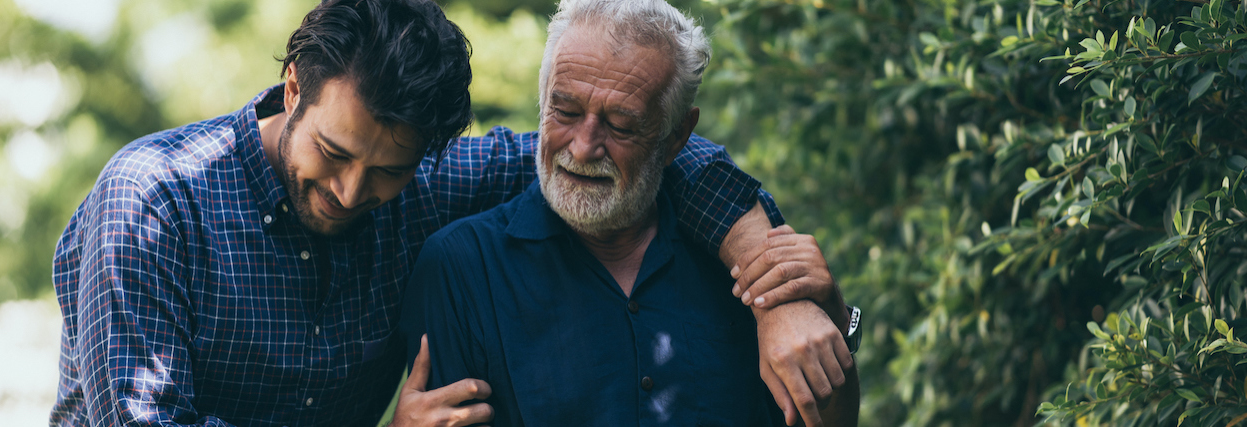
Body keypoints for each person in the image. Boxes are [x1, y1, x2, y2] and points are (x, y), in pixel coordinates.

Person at [49, 0, 850, 426]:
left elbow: (635, 155)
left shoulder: (428, 185)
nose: (351, 192)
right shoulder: (154, 201)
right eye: (332, 151)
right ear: (293, 87)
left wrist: (774, 283)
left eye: (386, 171)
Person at [400, 0, 860, 425]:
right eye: (565, 111)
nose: (583, 148)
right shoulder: (461, 268)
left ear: (677, 137)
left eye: (621, 125)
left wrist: (831, 322)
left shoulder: (748, 256)